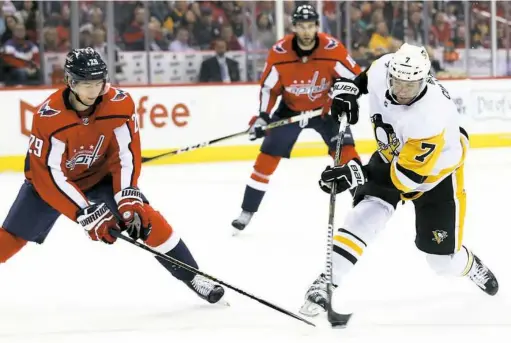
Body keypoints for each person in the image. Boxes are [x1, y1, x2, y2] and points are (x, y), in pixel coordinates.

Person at [0, 47, 225, 305]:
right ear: (70, 82)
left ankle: (193, 276)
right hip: (48, 186)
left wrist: (128, 198)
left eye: (98, 83)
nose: (93, 91)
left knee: (146, 219)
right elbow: (51, 177)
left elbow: (126, 155)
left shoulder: (119, 104)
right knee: (10, 240)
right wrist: (85, 212)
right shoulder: (48, 117)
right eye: (86, 84)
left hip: (99, 176)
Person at [299, 43, 498, 321]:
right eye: (398, 83)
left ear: (425, 80)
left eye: (411, 85)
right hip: (393, 155)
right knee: (368, 211)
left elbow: (405, 179)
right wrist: (350, 92)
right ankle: (327, 281)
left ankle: (468, 264)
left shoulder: (430, 117)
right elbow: (366, 79)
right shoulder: (384, 67)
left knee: (442, 262)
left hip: (435, 175)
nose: (403, 91)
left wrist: (357, 172)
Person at [231, 4, 362, 235]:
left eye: (310, 26)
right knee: (265, 161)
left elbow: (357, 79)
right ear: (294, 27)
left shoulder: (332, 49)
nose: (306, 31)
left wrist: (339, 98)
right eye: (301, 26)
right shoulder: (279, 52)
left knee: (346, 154)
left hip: (325, 110)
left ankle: (364, 203)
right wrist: (263, 117)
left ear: (316, 27)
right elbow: (269, 89)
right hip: (290, 110)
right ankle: (247, 210)